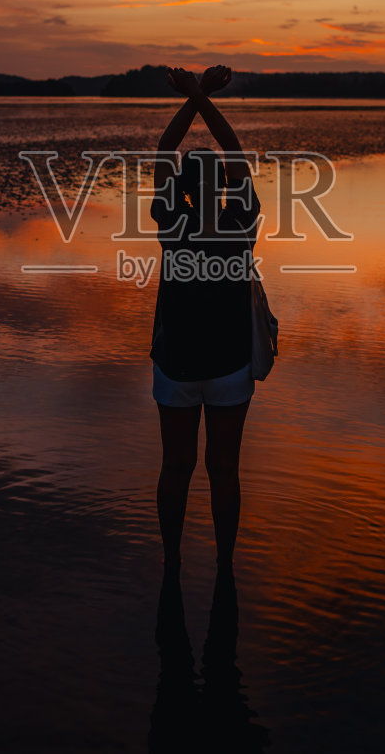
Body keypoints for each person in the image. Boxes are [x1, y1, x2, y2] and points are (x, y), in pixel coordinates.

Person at [151, 64, 259, 573]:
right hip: (230, 360)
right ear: (222, 185)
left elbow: (161, 154)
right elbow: (234, 151)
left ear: (184, 189)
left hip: (176, 359)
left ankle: (172, 562)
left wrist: (192, 96)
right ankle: (225, 566)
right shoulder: (240, 217)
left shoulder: (173, 219)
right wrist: (203, 96)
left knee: (176, 466)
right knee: (224, 469)